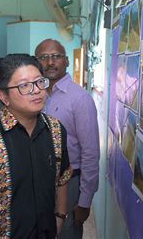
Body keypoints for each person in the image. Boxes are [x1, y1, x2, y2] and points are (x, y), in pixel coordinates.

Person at [0, 54, 71, 238]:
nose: (36, 91)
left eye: (39, 82)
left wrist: (60, 216)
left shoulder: (55, 130)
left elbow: (62, 177)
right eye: (24, 86)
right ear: (3, 95)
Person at [35, 39, 100, 239]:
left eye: (56, 56)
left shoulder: (79, 98)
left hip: (70, 183)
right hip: (37, 181)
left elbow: (90, 152)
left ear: (67, 61)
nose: (50, 62)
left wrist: (85, 201)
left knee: (66, 234)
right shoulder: (32, 94)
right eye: (44, 57)